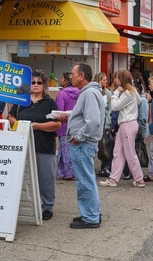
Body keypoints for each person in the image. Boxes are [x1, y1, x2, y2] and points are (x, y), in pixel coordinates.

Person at [9, 70, 61, 221]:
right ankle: (21, 205)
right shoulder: (21, 102)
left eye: (39, 83)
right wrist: (20, 125)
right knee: (22, 177)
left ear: (44, 85)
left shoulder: (50, 102)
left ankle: (47, 206)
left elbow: (57, 124)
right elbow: (10, 117)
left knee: (46, 177)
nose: (36, 85)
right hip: (23, 146)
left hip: (44, 146)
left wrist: (38, 126)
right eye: (33, 82)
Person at [66, 62, 103, 229]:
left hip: (83, 144)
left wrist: (77, 137)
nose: (70, 76)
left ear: (82, 76)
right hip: (84, 143)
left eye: (73, 73)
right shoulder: (89, 93)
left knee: (84, 180)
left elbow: (93, 121)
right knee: (86, 179)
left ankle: (90, 217)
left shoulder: (88, 94)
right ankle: (91, 212)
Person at [99, 68, 145, 188]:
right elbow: (139, 101)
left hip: (127, 124)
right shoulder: (132, 91)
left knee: (129, 153)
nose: (114, 79)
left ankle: (139, 179)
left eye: (116, 77)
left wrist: (115, 93)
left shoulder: (127, 93)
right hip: (127, 124)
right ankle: (114, 179)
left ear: (121, 79)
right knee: (118, 152)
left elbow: (114, 106)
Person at [55, 71, 78, 180]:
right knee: (74, 150)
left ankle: (67, 173)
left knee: (64, 151)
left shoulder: (61, 94)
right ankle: (73, 172)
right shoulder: (79, 92)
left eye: (62, 79)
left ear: (65, 81)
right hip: (77, 126)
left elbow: (60, 111)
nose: (60, 80)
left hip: (64, 126)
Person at [95, 72, 113, 177]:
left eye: (106, 79)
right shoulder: (95, 93)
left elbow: (110, 109)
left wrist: (108, 123)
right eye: (103, 79)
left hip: (105, 123)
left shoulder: (108, 93)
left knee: (105, 146)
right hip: (96, 123)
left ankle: (105, 167)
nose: (105, 81)